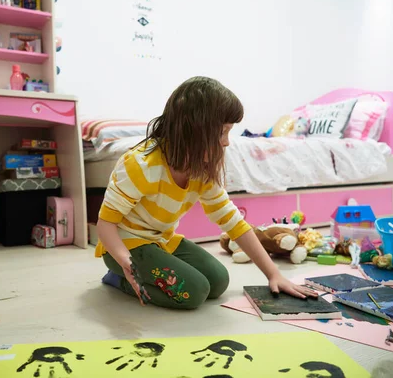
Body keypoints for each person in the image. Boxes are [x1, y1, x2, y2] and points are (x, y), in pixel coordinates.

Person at [95, 76, 318, 309]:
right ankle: (118, 279)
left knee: (218, 281)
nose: (226, 143)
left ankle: (145, 269)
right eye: (222, 132)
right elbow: (105, 225)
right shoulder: (140, 165)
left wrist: (274, 274)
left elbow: (233, 221)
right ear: (194, 131)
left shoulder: (200, 168)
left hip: (160, 241)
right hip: (123, 244)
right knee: (193, 292)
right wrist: (125, 262)